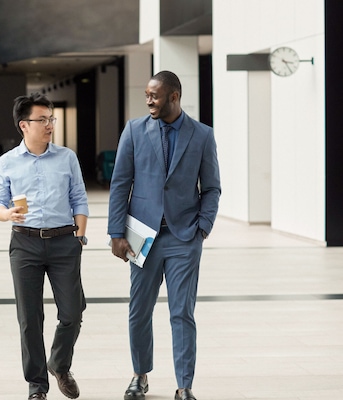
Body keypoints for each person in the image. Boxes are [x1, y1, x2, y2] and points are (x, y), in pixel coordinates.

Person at [107, 71, 221, 400]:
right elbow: (120, 184)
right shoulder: (134, 130)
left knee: (181, 312)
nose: (148, 101)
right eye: (146, 95)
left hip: (184, 237)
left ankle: (184, 386)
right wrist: (116, 231)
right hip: (142, 237)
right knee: (139, 310)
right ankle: (139, 376)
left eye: (154, 95)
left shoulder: (201, 135)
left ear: (174, 96)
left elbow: (212, 188)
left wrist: (202, 227)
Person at [0, 93, 89, 400]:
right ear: (24, 125)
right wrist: (6, 214)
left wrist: (79, 238)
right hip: (25, 243)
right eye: (42, 120)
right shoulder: (6, 163)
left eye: (51, 119)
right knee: (29, 317)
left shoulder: (66, 157)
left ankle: (59, 364)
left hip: (64, 242)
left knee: (73, 311)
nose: (49, 125)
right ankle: (37, 385)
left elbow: (79, 199)